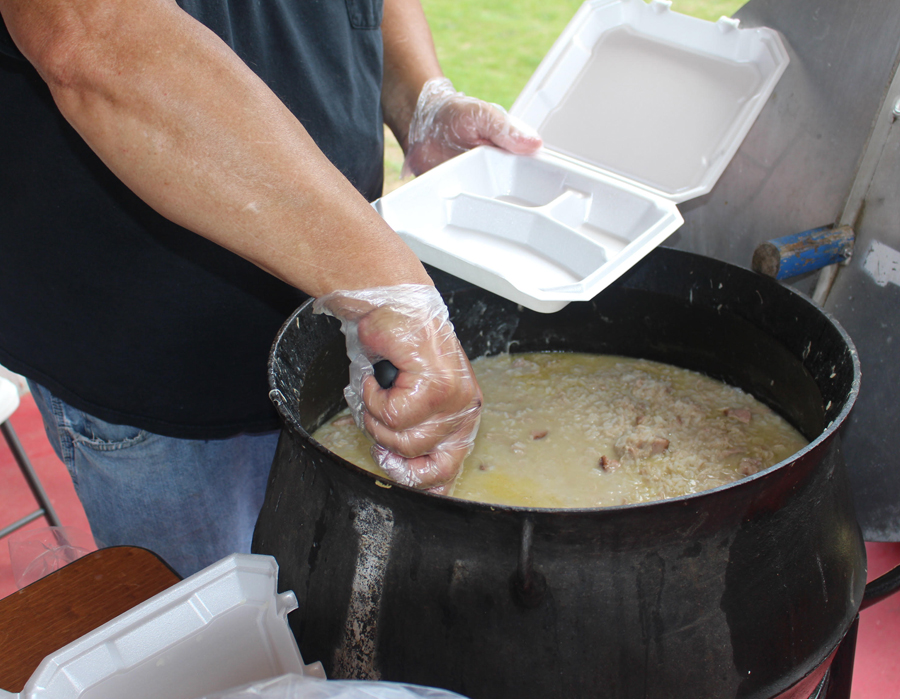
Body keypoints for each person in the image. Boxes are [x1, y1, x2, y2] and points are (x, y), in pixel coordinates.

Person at [0, 0, 541, 576]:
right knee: (224, 644)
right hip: (153, 352)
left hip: (341, 305)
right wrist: (386, 284)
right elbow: (97, 36)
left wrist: (418, 99)